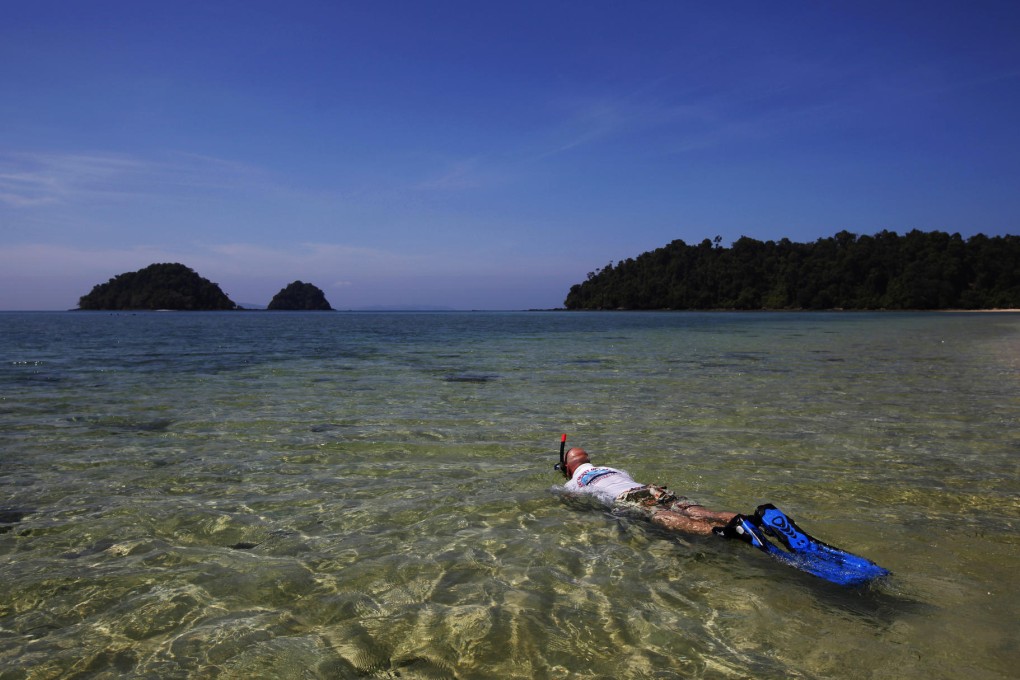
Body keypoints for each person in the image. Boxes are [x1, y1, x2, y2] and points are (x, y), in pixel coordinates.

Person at [560, 447, 737, 536]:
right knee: (694, 510)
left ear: (568, 468)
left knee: (661, 515)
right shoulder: (610, 468)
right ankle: (742, 520)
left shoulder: (573, 483)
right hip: (648, 488)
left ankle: (722, 533)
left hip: (626, 497)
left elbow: (573, 500)